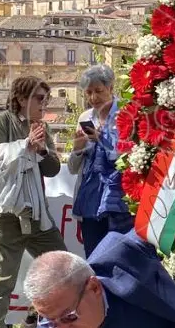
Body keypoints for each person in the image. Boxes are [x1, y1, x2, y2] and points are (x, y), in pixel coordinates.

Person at [0, 76, 67, 328]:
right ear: (20, 98)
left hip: (35, 214)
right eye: (39, 98)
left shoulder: (42, 127)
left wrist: (41, 150)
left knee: (61, 267)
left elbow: (52, 169)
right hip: (4, 216)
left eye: (46, 99)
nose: (44, 104)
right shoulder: (0, 122)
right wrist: (25, 146)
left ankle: (34, 318)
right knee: (3, 280)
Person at [23, 231, 175, 328]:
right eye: (48, 322)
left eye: (69, 317)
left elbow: (161, 217)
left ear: (94, 287)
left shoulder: (123, 256)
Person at [70, 65, 128, 257]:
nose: (93, 98)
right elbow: (73, 168)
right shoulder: (85, 117)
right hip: (90, 200)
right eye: (88, 93)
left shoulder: (126, 114)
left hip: (120, 200)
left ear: (111, 88)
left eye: (98, 91)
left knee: (120, 257)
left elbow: (129, 157)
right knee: (93, 257)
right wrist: (77, 149)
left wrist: (102, 139)